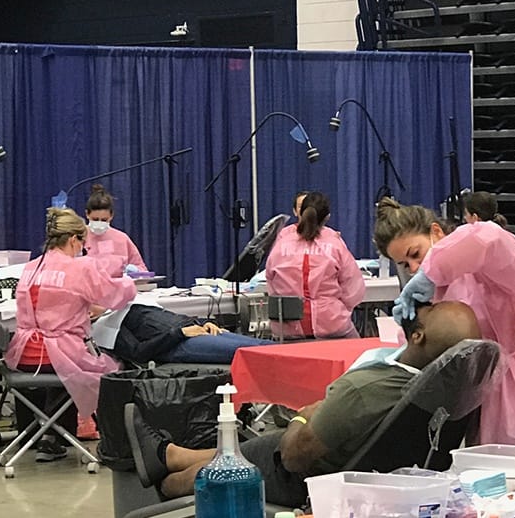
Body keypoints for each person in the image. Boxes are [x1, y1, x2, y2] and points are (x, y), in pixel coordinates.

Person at [125, 301, 482, 507]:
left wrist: (301, 418)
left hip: (312, 477)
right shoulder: (455, 391)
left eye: (428, 310)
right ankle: (169, 455)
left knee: (233, 464)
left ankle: (162, 495)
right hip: (376, 470)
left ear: (417, 334)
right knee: (258, 444)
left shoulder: (366, 388)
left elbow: (296, 456)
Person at [375, 197, 515, 445]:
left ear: (436, 231)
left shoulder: (494, 263)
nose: (414, 268)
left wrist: (432, 270)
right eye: (405, 265)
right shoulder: (438, 288)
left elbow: (487, 236)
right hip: (480, 398)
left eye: (415, 254)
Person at [4, 207, 137, 461]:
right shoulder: (80, 267)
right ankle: (116, 441)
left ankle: (49, 435)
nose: (83, 249)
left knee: (70, 364)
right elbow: (111, 295)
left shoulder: (30, 267)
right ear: (74, 239)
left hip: (24, 355)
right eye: (83, 243)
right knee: (114, 370)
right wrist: (130, 283)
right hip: (57, 354)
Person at [265, 192, 365, 339]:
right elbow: (353, 289)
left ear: (300, 212)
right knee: (358, 352)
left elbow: (271, 283)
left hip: (287, 329)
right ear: (327, 217)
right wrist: (336, 307)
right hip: (331, 325)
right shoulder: (334, 244)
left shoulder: (282, 243)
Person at [106, 304, 272, 365]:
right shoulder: (105, 326)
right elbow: (139, 353)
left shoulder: (130, 303)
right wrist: (180, 333)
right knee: (252, 351)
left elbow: (171, 318)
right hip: (178, 345)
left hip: (193, 329)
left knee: (262, 345)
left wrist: (203, 323)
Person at [83, 183, 148, 277]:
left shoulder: (122, 238)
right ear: (87, 214)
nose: (99, 223)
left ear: (111, 215)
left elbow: (143, 270)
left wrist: (135, 271)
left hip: (117, 288)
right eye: (95, 219)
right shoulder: (78, 237)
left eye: (104, 220)